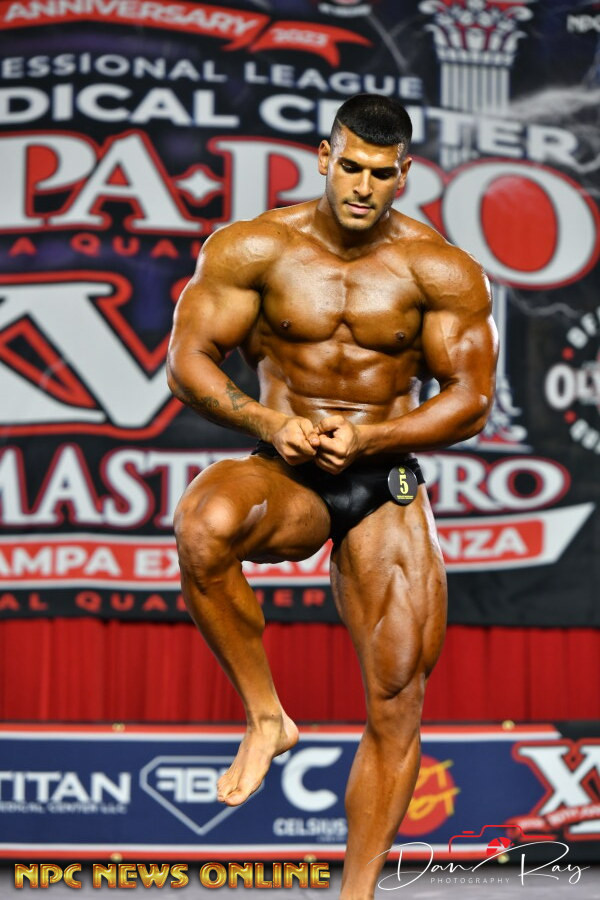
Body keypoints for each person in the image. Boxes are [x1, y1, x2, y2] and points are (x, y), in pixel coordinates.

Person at [167, 93, 497, 898]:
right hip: (288, 466)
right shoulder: (255, 249)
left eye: (381, 174)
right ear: (324, 157)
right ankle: (266, 717)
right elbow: (188, 361)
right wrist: (268, 421)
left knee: (397, 697)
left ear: (403, 175)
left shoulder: (439, 269)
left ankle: (357, 894)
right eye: (350, 166)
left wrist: (374, 438)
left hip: (383, 481)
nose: (362, 186)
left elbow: (471, 401)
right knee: (205, 526)